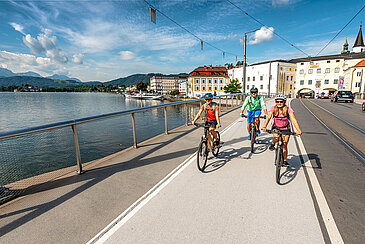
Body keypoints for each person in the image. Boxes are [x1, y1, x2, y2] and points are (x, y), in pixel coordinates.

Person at [262, 95, 302, 166]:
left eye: (281, 101)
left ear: (284, 102)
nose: (279, 103)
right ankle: (273, 144)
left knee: (284, 144)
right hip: (276, 127)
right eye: (277, 101)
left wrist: (298, 130)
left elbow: (293, 119)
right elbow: (268, 117)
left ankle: (285, 160)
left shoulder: (288, 110)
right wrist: (264, 126)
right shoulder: (273, 108)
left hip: (286, 128)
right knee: (276, 138)